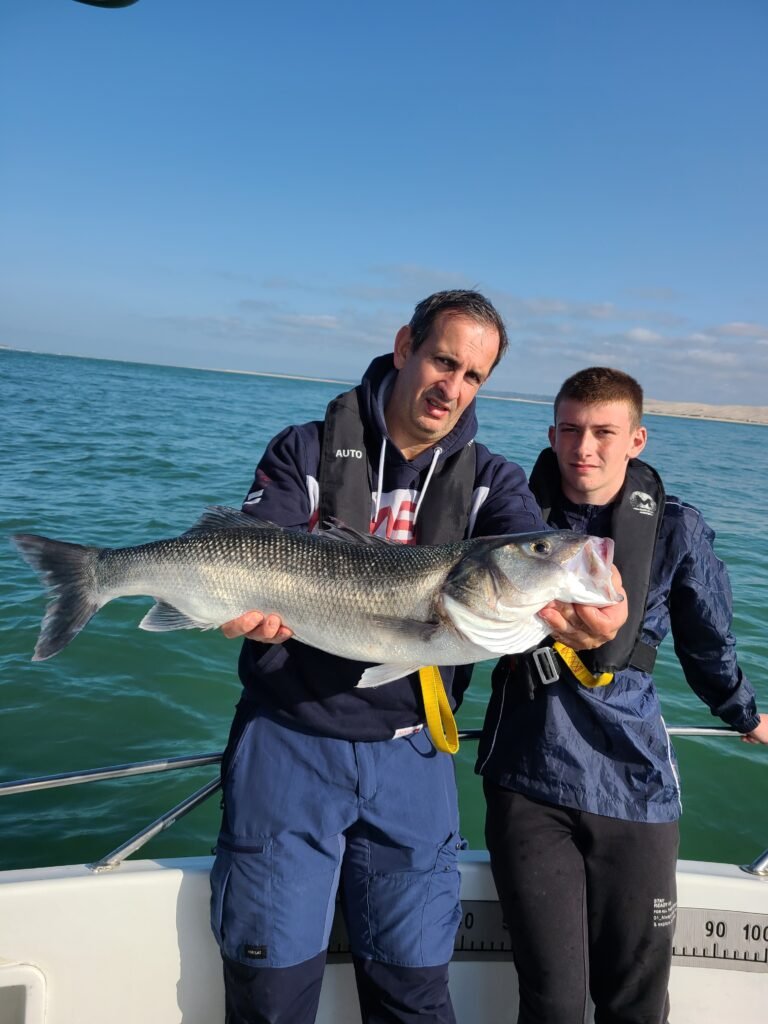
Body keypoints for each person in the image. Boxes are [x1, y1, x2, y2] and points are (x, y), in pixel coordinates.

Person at [209, 292, 627, 1024]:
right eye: (443, 360)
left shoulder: (494, 482)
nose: (452, 387)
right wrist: (241, 612)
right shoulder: (304, 449)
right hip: (287, 744)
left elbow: (534, 554)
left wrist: (592, 610)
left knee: (415, 995)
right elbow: (253, 545)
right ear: (405, 346)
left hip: (411, 761)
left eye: (473, 376)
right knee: (269, 994)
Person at [477, 366, 768, 1024]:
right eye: (572, 430)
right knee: (550, 1001)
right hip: (528, 779)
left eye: (604, 432)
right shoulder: (505, 522)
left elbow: (708, 643)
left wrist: (745, 714)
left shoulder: (677, 529)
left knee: (634, 1003)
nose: (586, 448)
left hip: (635, 784)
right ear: (551, 435)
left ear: (637, 439)